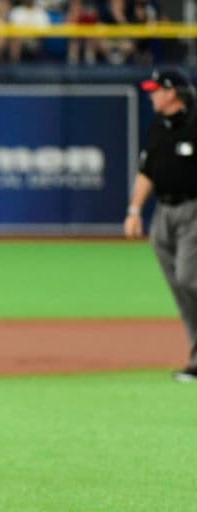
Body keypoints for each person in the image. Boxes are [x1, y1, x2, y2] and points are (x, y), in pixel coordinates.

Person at [124, 67, 197, 382]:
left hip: (193, 209)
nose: (152, 94)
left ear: (173, 93)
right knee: (179, 287)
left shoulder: (196, 125)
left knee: (188, 278)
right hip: (163, 213)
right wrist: (134, 209)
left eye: (157, 89)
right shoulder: (157, 129)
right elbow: (146, 172)